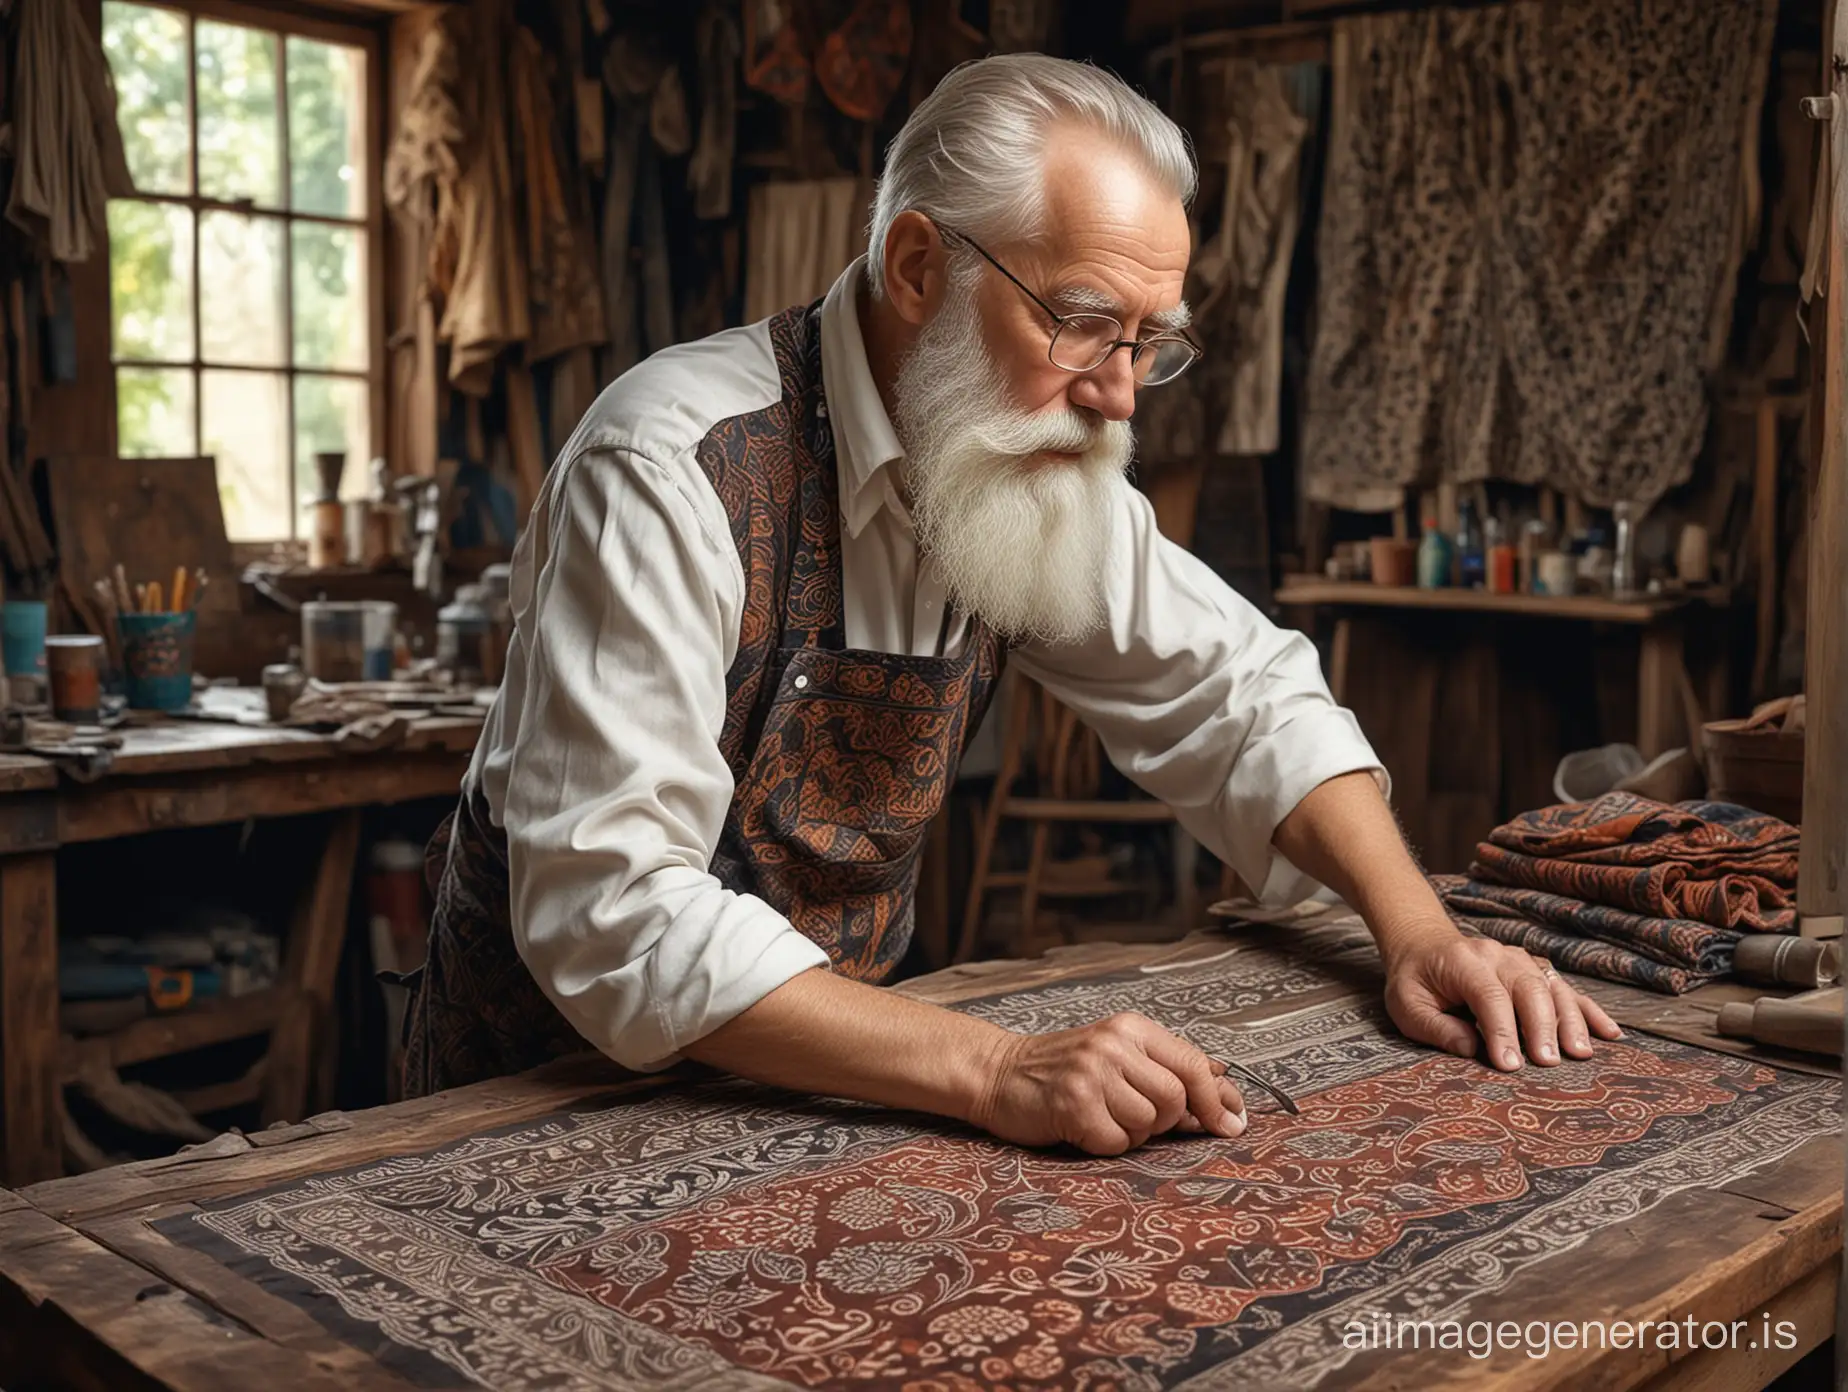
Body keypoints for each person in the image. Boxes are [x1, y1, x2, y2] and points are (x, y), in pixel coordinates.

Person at [403, 53, 1620, 1154]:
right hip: (534, 1115)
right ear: (920, 266)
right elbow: (615, 917)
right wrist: (995, 1068)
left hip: (832, 1101)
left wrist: (1418, 934)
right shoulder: (666, 467)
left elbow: (1242, 695)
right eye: (1086, 325)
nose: (1121, 398)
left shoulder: (1017, 453)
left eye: (1151, 341)